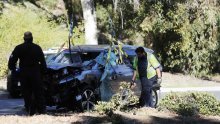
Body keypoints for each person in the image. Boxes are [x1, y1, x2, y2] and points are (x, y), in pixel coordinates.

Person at [8, 31, 47, 115]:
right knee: (38, 92)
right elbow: (43, 62)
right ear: (32, 38)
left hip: (24, 73)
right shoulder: (37, 48)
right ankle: (41, 110)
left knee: (26, 92)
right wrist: (44, 72)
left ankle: (29, 108)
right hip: (35, 73)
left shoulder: (19, 48)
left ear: (24, 39)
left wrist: (14, 70)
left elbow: (12, 60)